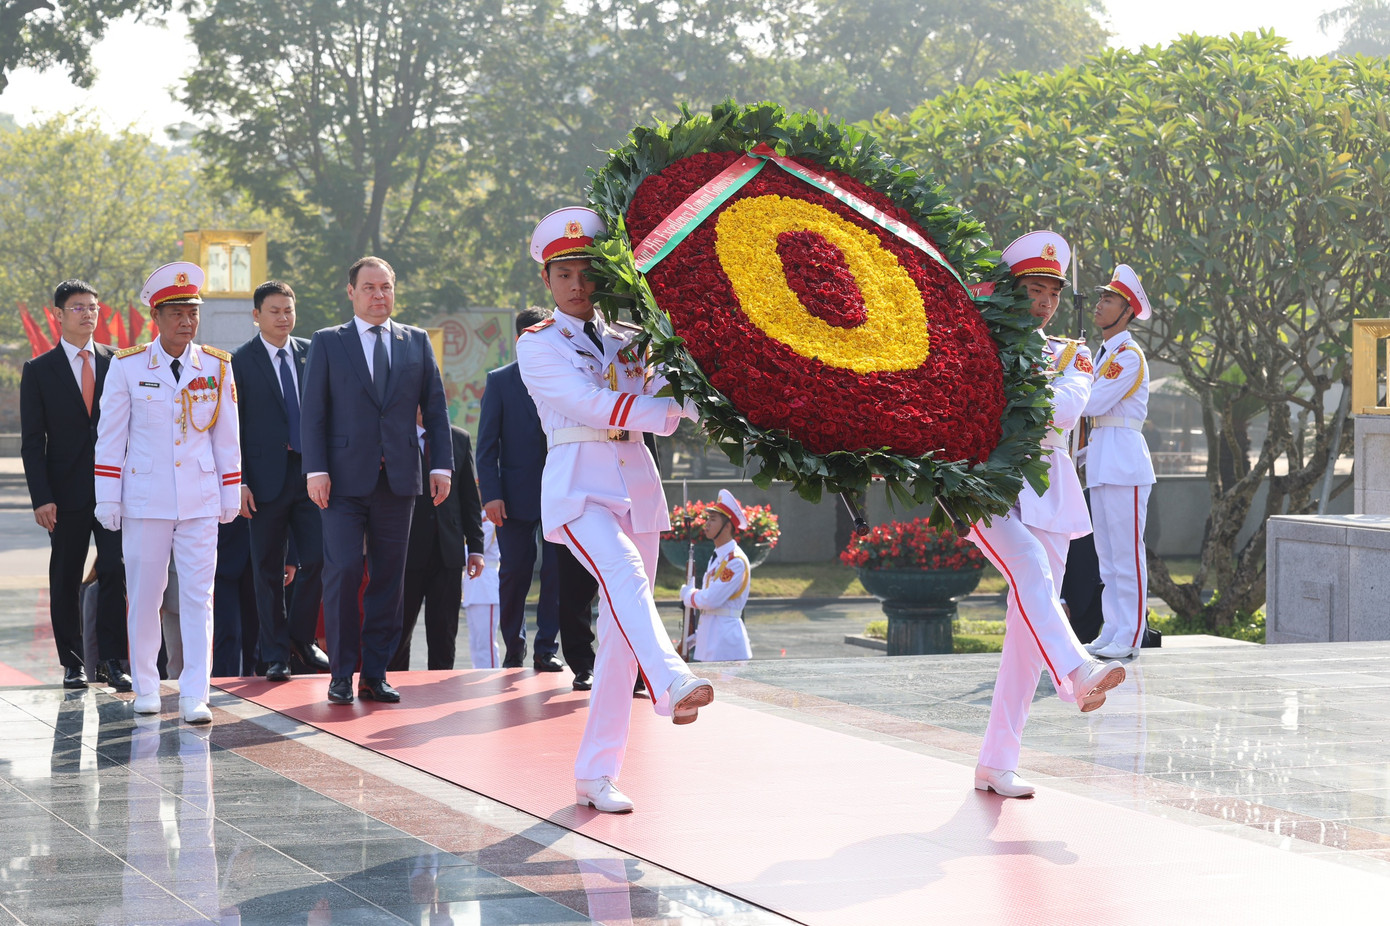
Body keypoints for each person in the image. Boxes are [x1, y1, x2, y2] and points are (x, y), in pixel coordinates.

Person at [516, 206, 711, 815]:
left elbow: (669, 395)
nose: (577, 284)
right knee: (624, 575)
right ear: (547, 282)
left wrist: (724, 402)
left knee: (621, 637)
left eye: (586, 273)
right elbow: (589, 404)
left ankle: (595, 775)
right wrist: (666, 411)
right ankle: (672, 679)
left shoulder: (632, 340)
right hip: (579, 488)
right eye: (564, 273)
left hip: (637, 486)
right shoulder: (538, 345)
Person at [966, 231, 1125, 798]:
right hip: (987, 485)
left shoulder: (1071, 351)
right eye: (1034, 289)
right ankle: (1077, 672)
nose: (1045, 302)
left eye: (1053, 293)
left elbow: (1063, 410)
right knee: (1030, 568)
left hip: (1050, 489)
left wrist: (1012, 385)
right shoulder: (977, 343)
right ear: (1011, 292)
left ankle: (996, 761)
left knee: (1025, 637)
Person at [300, 256, 453, 705]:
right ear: (351, 292)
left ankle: (376, 673)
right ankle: (341, 673)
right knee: (345, 571)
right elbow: (313, 412)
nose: (378, 295)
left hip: (400, 480)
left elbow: (437, 408)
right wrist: (316, 470)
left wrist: (440, 465)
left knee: (390, 578)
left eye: (385, 287)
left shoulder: (416, 341)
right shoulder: (329, 342)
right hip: (342, 482)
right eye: (369, 287)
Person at [94, 261, 242, 723]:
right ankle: (145, 685)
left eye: (192, 312)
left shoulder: (216, 366)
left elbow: (226, 436)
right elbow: (111, 437)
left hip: (198, 499)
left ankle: (196, 692)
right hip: (146, 498)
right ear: (155, 317)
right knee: (145, 595)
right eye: (176, 313)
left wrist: (230, 491)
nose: (186, 321)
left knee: (199, 598)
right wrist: (107, 496)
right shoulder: (128, 365)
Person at [20, 278, 130, 691]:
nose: (88, 314)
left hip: (112, 489)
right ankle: (73, 662)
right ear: (59, 315)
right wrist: (42, 497)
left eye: (93, 307)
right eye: (78, 307)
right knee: (65, 575)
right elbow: (33, 442)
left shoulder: (118, 362)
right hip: (63, 495)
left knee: (115, 570)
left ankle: (114, 661)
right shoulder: (38, 370)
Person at [477, 307, 597, 686]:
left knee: (558, 574)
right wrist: (492, 495)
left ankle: (548, 648)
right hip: (513, 498)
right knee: (515, 573)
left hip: (563, 491)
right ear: (521, 339)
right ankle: (514, 647)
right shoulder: (499, 382)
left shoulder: (570, 377)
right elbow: (486, 447)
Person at [231, 280, 329, 682]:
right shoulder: (239, 361)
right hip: (263, 479)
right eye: (274, 311)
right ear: (256, 316)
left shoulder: (313, 353)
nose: (283, 317)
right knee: (268, 570)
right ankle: (274, 654)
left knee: (321, 559)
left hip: (310, 473)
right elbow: (231, 427)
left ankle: (301, 639)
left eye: (288, 310)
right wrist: (238, 481)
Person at [1082, 264, 1156, 660]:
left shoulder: (1127, 356)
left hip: (1124, 461)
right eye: (1101, 297)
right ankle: (1113, 627)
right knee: (1108, 558)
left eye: (1108, 300)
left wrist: (1070, 380)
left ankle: (1131, 632)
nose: (1099, 305)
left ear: (1127, 312)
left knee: (1128, 555)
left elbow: (1092, 402)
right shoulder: (1105, 353)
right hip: (1103, 458)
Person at [388, 414, 486, 671]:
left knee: (444, 636)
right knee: (397, 635)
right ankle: (392, 692)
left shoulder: (458, 438)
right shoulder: (393, 435)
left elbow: (469, 501)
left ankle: (439, 695)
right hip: (404, 551)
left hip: (448, 552)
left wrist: (475, 547)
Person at [680, 489, 754, 662]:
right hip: (713, 640)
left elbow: (711, 600)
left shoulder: (735, 561)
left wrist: (688, 594)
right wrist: (697, 636)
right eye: (707, 519)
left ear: (727, 526)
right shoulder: (720, 557)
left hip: (725, 644)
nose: (707, 524)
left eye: (713, 520)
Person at [462, 517, 502, 668]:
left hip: (486, 588)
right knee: (476, 642)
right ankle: (478, 673)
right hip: (474, 587)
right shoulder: (479, 518)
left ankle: (489, 676)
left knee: (486, 643)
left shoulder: (487, 520)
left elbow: (473, 551)